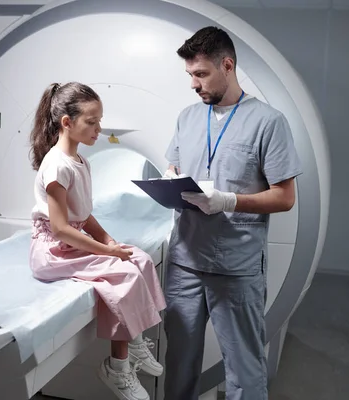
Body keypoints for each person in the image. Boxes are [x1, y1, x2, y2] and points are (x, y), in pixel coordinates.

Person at [162, 27, 303, 400]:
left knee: (243, 367)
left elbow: (284, 197)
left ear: (227, 65)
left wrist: (228, 201)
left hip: (236, 266)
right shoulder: (187, 118)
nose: (194, 83)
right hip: (185, 261)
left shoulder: (268, 123)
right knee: (178, 363)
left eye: (201, 74)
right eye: (190, 75)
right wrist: (169, 180)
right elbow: (175, 168)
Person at [28, 81, 167, 400]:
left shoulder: (81, 161)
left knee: (140, 258)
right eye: (92, 122)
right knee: (126, 275)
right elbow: (62, 228)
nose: (98, 129)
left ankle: (134, 342)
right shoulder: (56, 167)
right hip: (53, 250)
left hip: (70, 243)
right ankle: (117, 369)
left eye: (99, 121)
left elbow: (85, 216)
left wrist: (112, 242)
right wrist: (107, 251)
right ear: (67, 122)